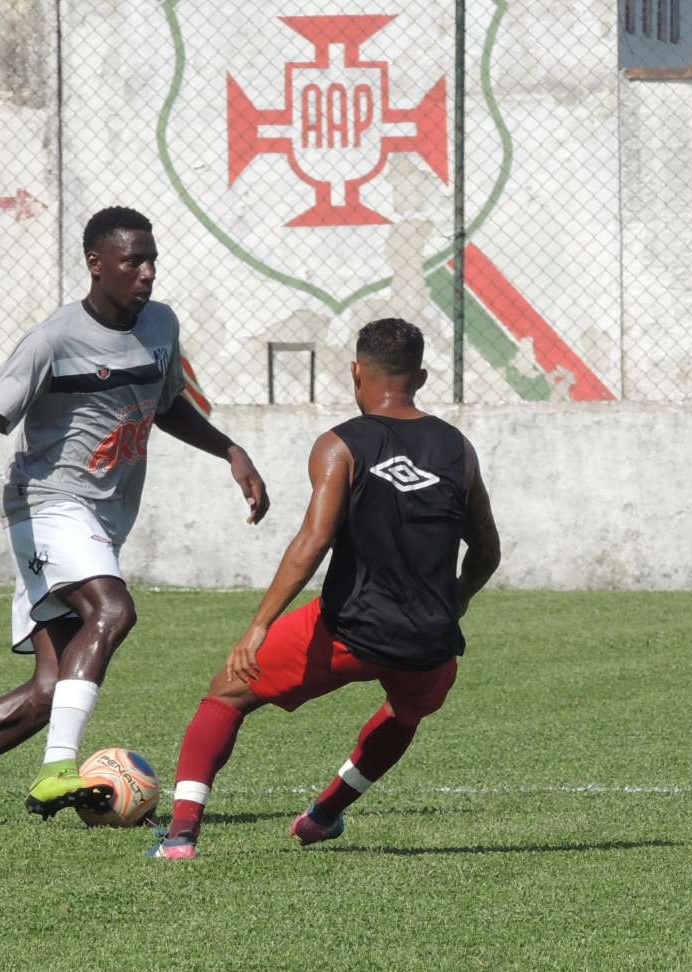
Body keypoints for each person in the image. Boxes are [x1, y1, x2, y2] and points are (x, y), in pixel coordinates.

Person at [0, 206, 269, 827]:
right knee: (114, 610)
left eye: (152, 258)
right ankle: (59, 769)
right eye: (133, 261)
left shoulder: (160, 324)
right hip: (47, 504)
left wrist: (230, 450)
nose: (147, 272)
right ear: (96, 265)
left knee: (49, 691)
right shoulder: (52, 339)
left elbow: (167, 406)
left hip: (101, 520)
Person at [148, 317, 500, 859]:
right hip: (430, 644)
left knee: (225, 694)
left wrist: (258, 626)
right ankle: (322, 817)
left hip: (347, 631)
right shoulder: (458, 448)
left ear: (356, 372)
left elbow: (313, 543)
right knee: (404, 713)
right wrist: (456, 601)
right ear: (422, 378)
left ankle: (180, 836)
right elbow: (487, 551)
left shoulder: (340, 445)